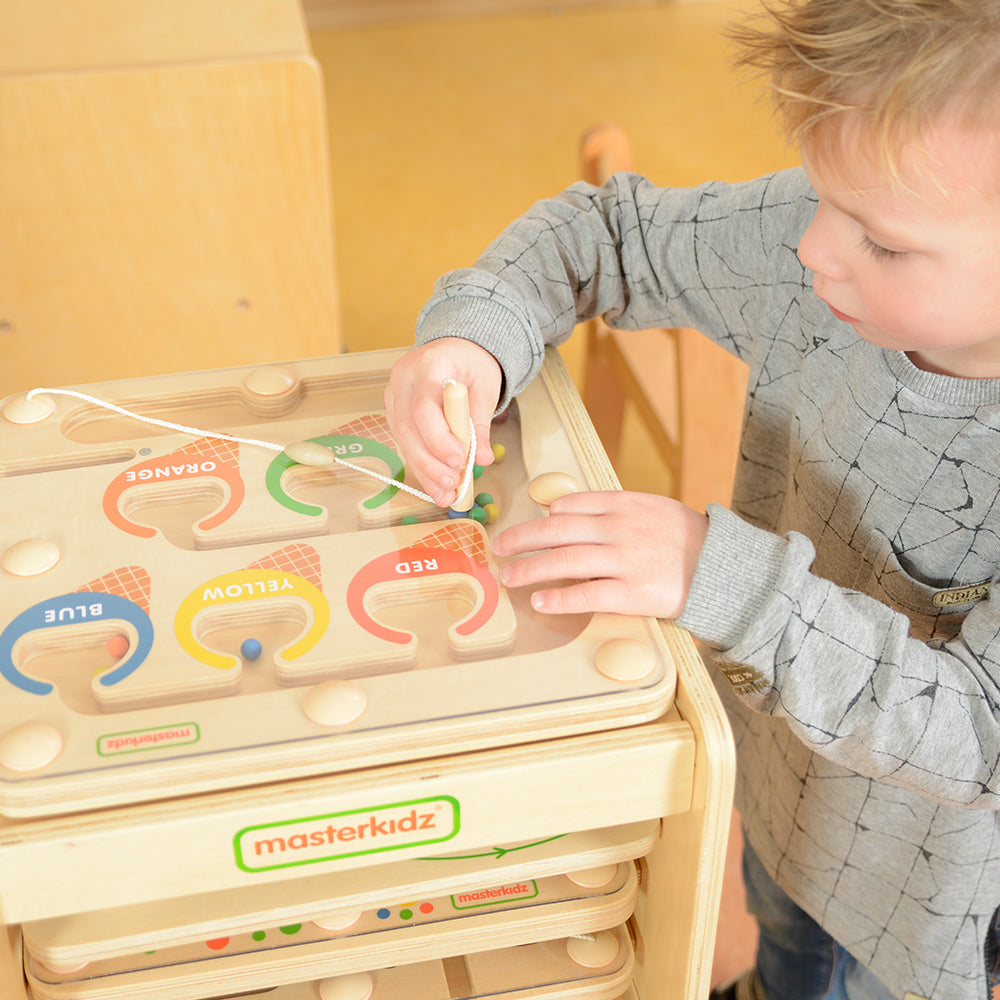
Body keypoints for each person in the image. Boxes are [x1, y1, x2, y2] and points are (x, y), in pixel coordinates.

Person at [383, 0, 1000, 997]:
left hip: (916, 906)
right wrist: (471, 338)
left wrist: (720, 577)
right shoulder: (819, 247)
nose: (812, 248)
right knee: (784, 946)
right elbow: (604, 234)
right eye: (818, 193)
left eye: (879, 240)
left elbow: (981, 732)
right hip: (778, 784)